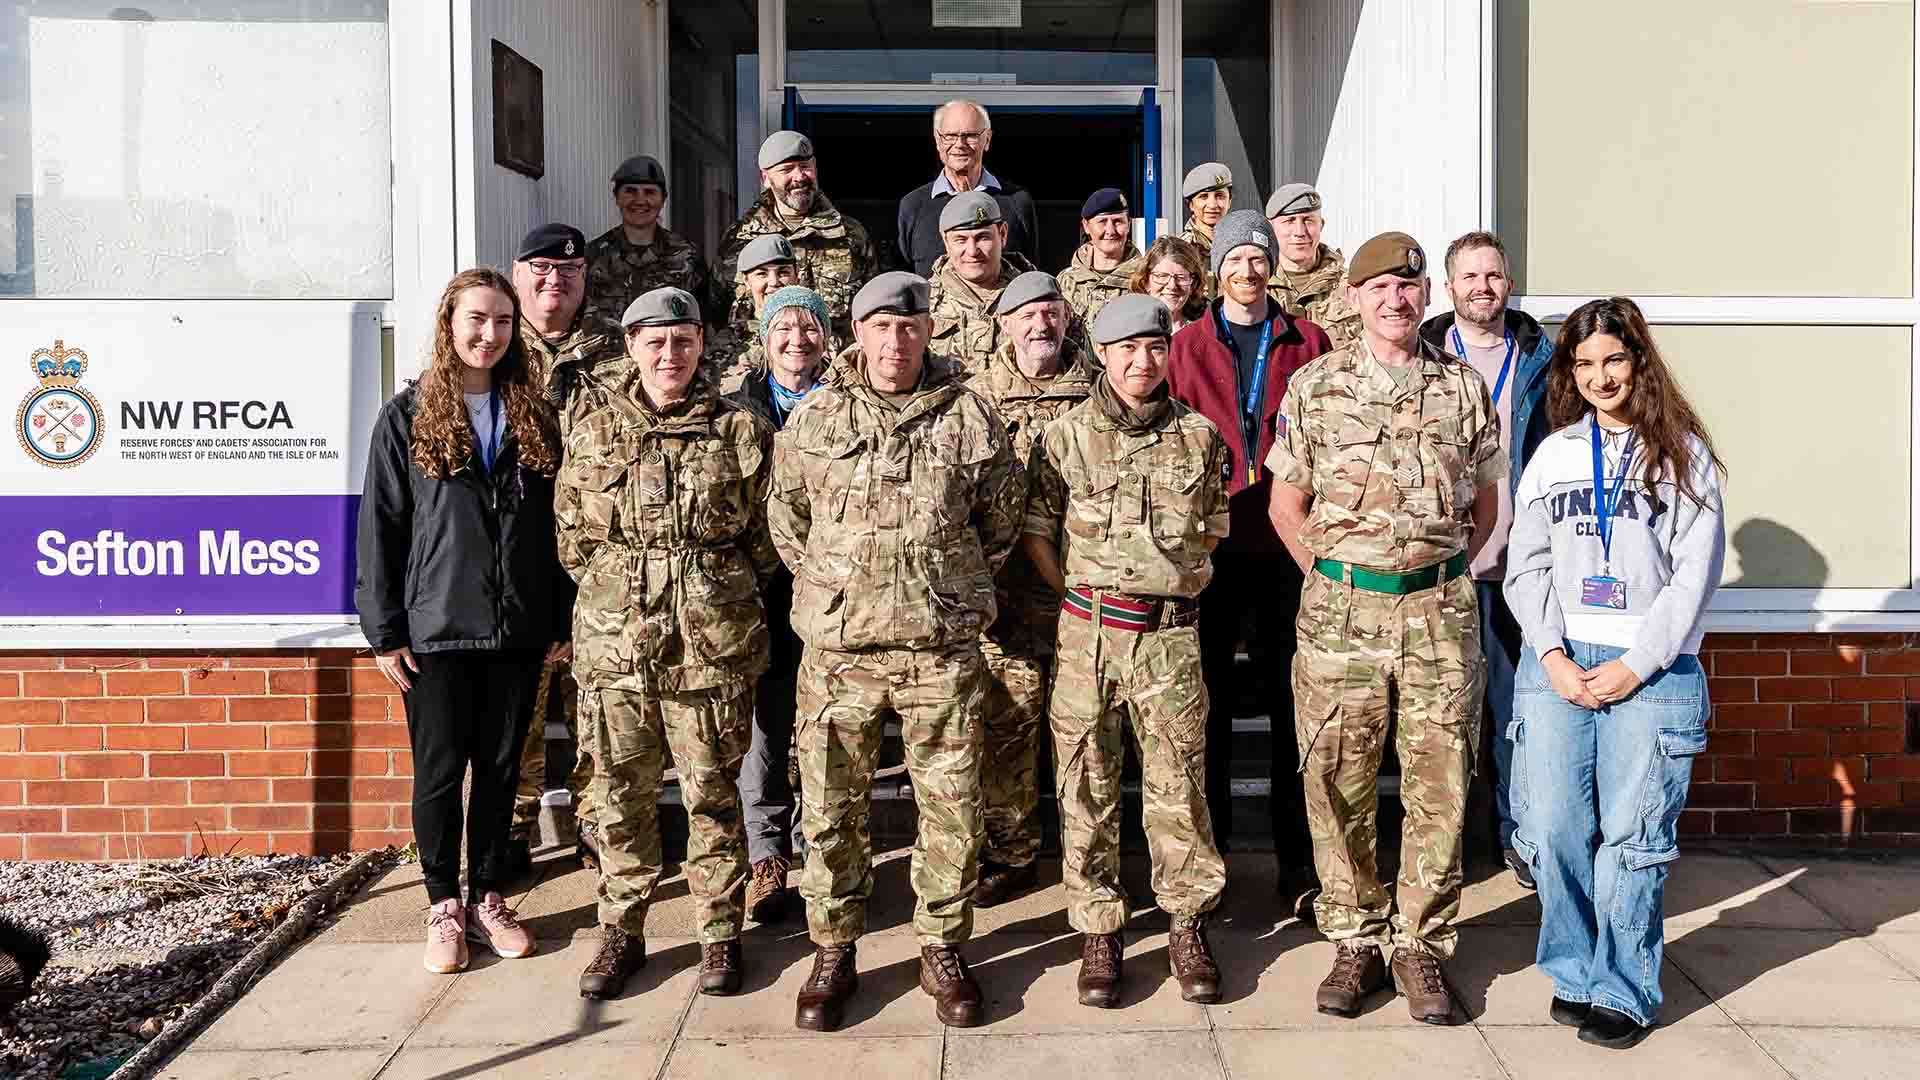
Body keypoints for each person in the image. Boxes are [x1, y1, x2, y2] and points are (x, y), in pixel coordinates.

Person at [769, 271, 1023, 1032]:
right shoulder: (816, 416)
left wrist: (946, 587)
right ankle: (835, 949)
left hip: (939, 648)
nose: (894, 340)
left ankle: (942, 945)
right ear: (856, 331)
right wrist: (843, 587)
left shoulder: (970, 415)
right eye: (880, 326)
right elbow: (788, 522)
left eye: (908, 326)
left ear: (927, 331)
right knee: (831, 808)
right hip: (841, 651)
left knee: (949, 807)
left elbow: (1001, 518)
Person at [1266, 232, 1505, 1025]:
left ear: (1426, 295)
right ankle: (1356, 938)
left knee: (1440, 784)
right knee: (1337, 783)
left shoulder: (1463, 390)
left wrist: (1433, 575)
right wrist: (1335, 579)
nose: (1396, 301)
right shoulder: (1315, 386)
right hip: (1341, 615)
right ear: (1356, 299)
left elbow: (1486, 504)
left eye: (1408, 289)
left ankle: (1423, 948)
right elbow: (1284, 505)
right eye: (1379, 290)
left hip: (1438, 614)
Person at [1504, 297, 1725, 1050]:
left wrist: (1635, 665)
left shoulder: (1684, 456)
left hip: (1651, 673)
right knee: (1553, 829)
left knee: (1632, 838)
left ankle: (1626, 986)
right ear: (1570, 371)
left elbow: (1693, 578)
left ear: (1640, 363)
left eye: (1615, 360)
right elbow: (1525, 565)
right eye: (1585, 363)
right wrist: (1554, 654)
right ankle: (1575, 969)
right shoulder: (1556, 453)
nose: (1601, 376)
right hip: (1559, 666)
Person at [557, 287, 779, 1001]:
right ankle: (622, 932)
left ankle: (720, 932)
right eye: (654, 341)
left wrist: (702, 585)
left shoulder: (739, 430)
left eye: (682, 341)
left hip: (710, 648)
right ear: (631, 346)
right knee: (619, 796)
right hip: (616, 649)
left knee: (713, 795)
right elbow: (572, 536)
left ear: (701, 347)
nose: (669, 354)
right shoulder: (592, 428)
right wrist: (622, 590)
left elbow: (766, 539)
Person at [356, 267, 566, 975]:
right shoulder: (409, 416)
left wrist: (556, 615)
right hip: (437, 628)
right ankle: (443, 903)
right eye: (476, 319)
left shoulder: (533, 411)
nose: (489, 334)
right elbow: (380, 526)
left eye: (504, 322)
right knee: (440, 774)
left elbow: (560, 525)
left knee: (502, 770)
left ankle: (488, 897)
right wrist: (384, 629)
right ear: (449, 325)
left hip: (516, 629)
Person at [1024, 294, 1231, 1009]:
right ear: (1103, 356)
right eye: (1126, 350)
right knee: (1086, 786)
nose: (1142, 362)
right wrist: (1083, 597)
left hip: (1169, 637)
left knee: (1179, 786)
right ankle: (1099, 928)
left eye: (1153, 348)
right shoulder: (1063, 437)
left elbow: (1210, 531)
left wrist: (1160, 588)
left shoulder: (1199, 438)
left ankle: (1186, 921)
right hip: (1088, 637)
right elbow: (1038, 531)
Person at [1166, 210, 1330, 913]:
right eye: (1236, 258)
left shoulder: (1309, 341)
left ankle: (1299, 866)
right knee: (1209, 711)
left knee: (1295, 710)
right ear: (1217, 268)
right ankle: (1216, 862)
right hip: (1209, 556)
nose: (1249, 269)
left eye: (1259, 258)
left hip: (1287, 555)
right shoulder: (1185, 347)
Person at [1419, 231, 1556, 889]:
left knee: (1514, 714)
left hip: (1518, 567)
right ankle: (1441, 850)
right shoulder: (1423, 355)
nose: (1483, 286)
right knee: (1441, 718)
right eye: (1470, 276)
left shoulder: (1540, 361)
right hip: (1440, 569)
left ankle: (1515, 838)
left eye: (1493, 275)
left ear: (1507, 281)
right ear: (1450, 288)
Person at [963, 271, 1096, 909]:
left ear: (1068, 318)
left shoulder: (1099, 389)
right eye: (1026, 316)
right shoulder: (974, 397)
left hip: (1084, 593)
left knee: (1086, 731)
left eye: (1051, 313)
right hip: (1002, 597)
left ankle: (1088, 855)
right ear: (1004, 326)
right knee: (1008, 725)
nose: (1040, 326)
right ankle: (1011, 851)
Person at [506, 223, 624, 878]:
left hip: (600, 561)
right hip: (520, 560)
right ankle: (515, 830)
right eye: (542, 270)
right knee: (520, 707)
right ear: (519, 274)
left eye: (569, 272)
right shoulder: (493, 349)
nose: (556, 282)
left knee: (597, 708)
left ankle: (596, 826)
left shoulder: (614, 349)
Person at [726, 286, 834, 926]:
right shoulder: (738, 413)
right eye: (783, 330)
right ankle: (767, 856)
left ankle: (822, 853)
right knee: (765, 725)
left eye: (810, 328)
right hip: (757, 591)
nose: (797, 340)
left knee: (824, 726)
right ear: (764, 343)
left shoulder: (849, 405)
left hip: (832, 588)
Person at [713, 130, 880, 355]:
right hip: (760, 374)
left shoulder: (851, 235)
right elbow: (716, 315)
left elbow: (873, 311)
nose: (799, 176)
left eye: (805, 167)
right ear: (765, 178)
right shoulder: (739, 240)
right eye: (787, 169)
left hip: (835, 374)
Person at [897, 100, 1040, 275]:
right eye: (950, 136)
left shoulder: (1016, 201)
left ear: (987, 139)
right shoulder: (913, 206)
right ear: (937, 141)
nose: (959, 144)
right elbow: (903, 280)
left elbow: (1032, 275)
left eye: (970, 135)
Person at [583, 154, 712, 327]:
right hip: (608, 353)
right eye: (630, 191)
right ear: (617, 197)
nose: (640, 200)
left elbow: (704, 319)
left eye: (650, 192)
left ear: (663, 199)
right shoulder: (592, 255)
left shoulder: (687, 255)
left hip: (665, 351)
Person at [928, 190, 1042, 372]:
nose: (972, 250)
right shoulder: (924, 302)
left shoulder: (1038, 298)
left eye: (983, 238)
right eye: (960, 240)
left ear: (1003, 234)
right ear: (946, 241)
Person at [1265, 183, 1361, 348]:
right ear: (1270, 228)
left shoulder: (1352, 285)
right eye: (1289, 221)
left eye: (1308, 220)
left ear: (1321, 225)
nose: (1300, 231)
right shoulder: (1256, 286)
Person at [707, 234, 802, 381]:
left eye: (783, 272)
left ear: (797, 276)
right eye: (762, 274)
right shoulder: (725, 346)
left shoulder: (817, 338)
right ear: (746, 280)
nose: (773, 282)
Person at [1057, 187, 1143, 327]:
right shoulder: (1066, 281)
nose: (1110, 231)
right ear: (1086, 226)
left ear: (1129, 224)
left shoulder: (1144, 279)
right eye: (1102, 222)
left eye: (1118, 221)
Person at [1128, 236, 1209, 333]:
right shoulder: (1128, 326)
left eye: (1181, 277)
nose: (1172, 286)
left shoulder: (1208, 326)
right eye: (1162, 276)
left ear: (1193, 284)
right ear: (1145, 281)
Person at [1178, 163, 1234, 291]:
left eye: (1220, 196)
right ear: (1191, 204)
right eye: (1203, 197)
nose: (1212, 205)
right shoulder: (1182, 249)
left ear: (1229, 201)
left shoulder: (1238, 244)